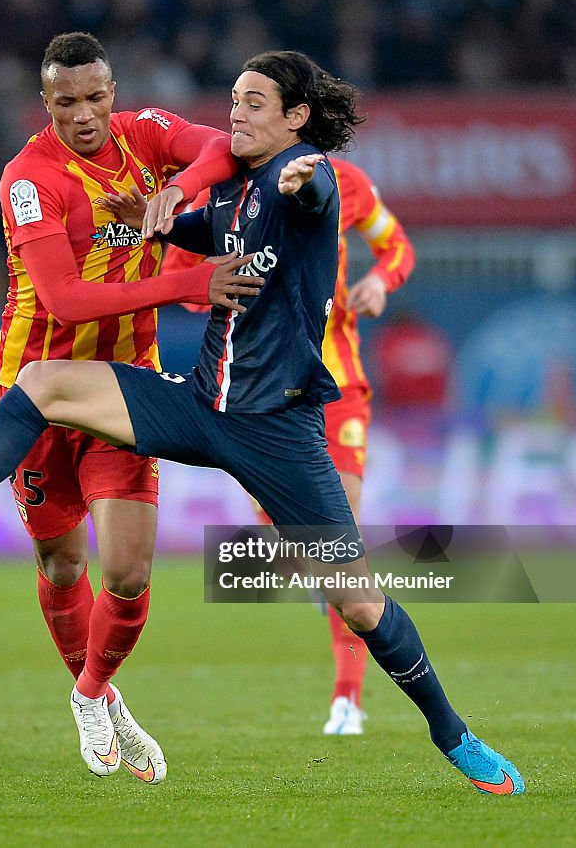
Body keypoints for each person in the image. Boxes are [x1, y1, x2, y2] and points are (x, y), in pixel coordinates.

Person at [0, 50, 524, 794]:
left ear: (295, 118)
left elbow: (307, 190)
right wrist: (162, 219)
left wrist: (296, 176)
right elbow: (216, 211)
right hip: (200, 403)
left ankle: (454, 736)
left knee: (357, 600)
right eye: (234, 99)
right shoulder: (231, 186)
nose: (236, 114)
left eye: (255, 103)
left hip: (277, 431)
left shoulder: (304, 178)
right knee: (40, 382)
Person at [0, 31, 248, 783]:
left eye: (95, 97)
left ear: (113, 92)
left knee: (131, 571)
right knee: (60, 558)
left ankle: (89, 696)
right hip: (36, 390)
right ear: (44, 104)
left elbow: (227, 147)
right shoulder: (28, 176)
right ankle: (105, 701)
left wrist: (177, 188)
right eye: (66, 102)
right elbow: (65, 300)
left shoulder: (147, 135)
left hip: (123, 387)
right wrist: (184, 284)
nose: (84, 114)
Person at [158, 157, 416, 735]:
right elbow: (183, 272)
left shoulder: (346, 180)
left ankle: (347, 697)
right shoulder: (233, 190)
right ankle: (351, 674)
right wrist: (214, 287)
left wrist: (380, 280)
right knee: (307, 554)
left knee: (339, 548)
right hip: (265, 396)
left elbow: (396, 245)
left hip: (339, 388)